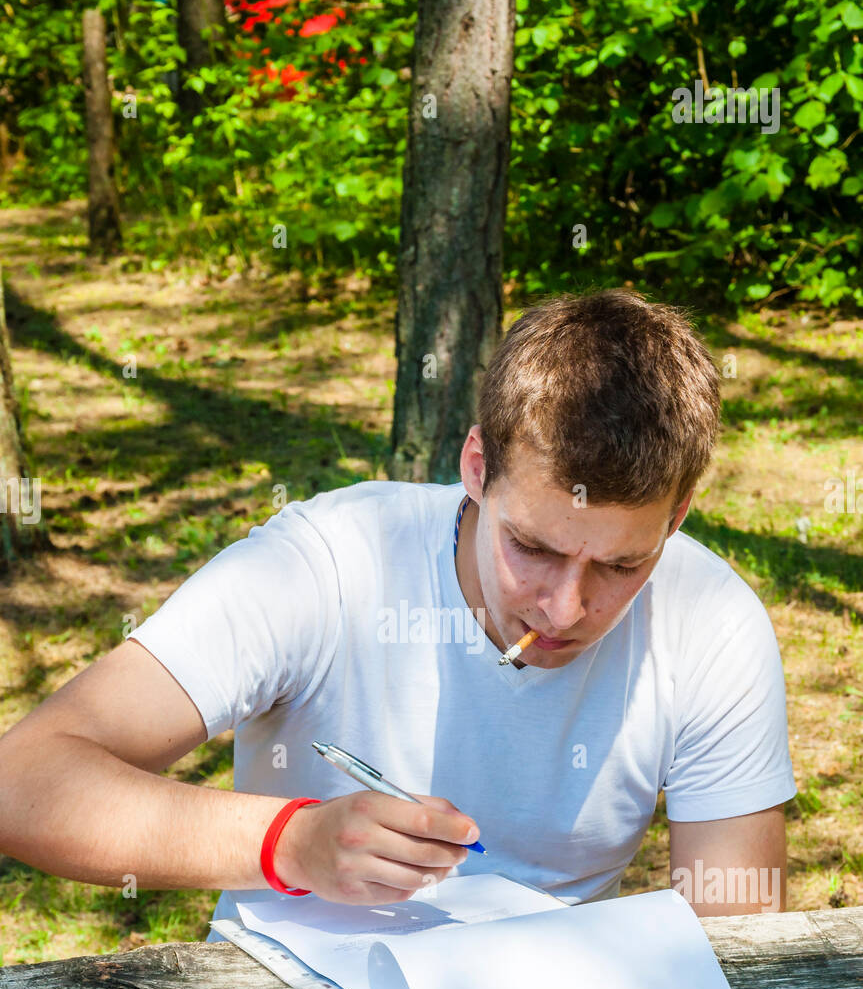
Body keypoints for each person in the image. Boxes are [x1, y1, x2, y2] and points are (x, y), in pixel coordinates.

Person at [0, 289, 796, 924]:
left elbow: (737, 932)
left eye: (622, 564)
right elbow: (25, 779)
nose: (563, 608)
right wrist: (293, 841)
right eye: (534, 549)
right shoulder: (329, 564)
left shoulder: (709, 621)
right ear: (477, 467)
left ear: (679, 514)